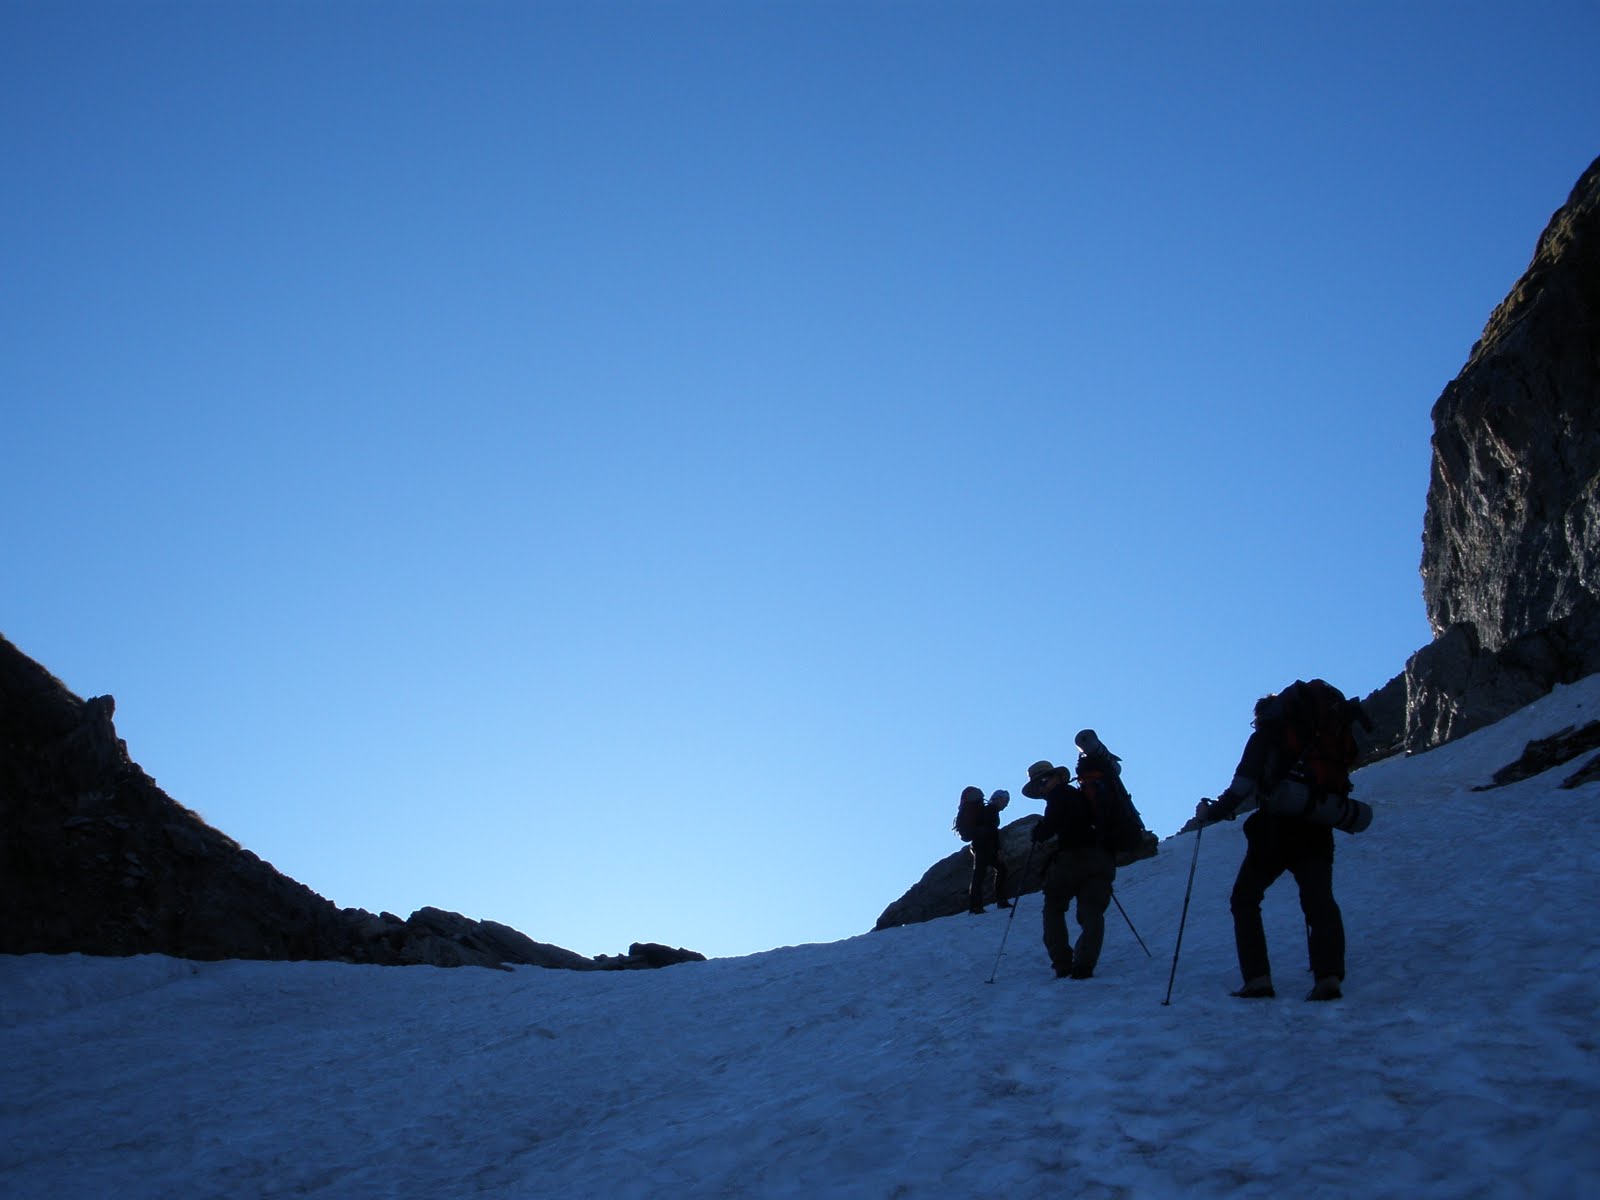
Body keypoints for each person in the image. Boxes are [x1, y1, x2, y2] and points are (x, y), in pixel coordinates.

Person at [1195, 689, 1348, 1002]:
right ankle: (1328, 975)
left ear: (1261, 716)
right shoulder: (1319, 734)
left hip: (1276, 829)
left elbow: (1242, 785)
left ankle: (1258, 979)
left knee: (1245, 899)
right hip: (1317, 824)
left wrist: (1213, 812)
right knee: (1319, 900)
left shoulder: (1266, 734)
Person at [1022, 759, 1115, 979]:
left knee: (1054, 907)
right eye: (1038, 784)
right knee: (1091, 910)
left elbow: (1048, 828)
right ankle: (1084, 964)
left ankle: (1062, 963)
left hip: (1072, 859)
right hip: (1101, 857)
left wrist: (1039, 832)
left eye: (1043, 781)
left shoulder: (1058, 796)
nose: (1042, 787)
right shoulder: (1083, 795)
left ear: (1056, 778)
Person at [955, 786, 1012, 913]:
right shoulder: (991, 810)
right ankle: (996, 902)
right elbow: (992, 831)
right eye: (1005, 802)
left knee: (980, 875)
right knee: (989, 872)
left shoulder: (987, 810)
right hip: (984, 846)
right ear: (998, 799)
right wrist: (998, 849)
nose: (1005, 805)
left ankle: (977, 906)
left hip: (979, 845)